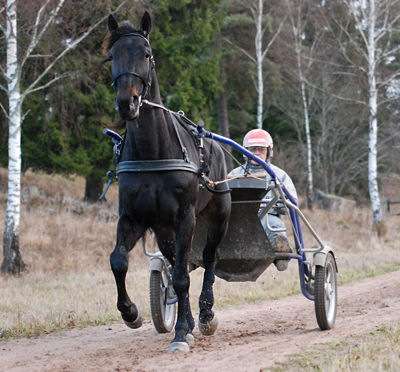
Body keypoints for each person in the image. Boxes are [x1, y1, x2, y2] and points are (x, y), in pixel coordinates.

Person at [229, 129, 297, 271]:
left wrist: (280, 203)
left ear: (269, 152)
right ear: (244, 152)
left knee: (275, 226)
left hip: (268, 217)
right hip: (238, 220)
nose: (256, 153)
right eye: (252, 149)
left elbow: (292, 202)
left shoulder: (279, 175)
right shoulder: (234, 174)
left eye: (260, 149)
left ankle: (281, 251)